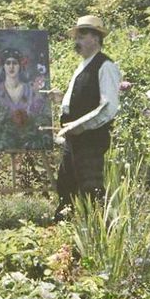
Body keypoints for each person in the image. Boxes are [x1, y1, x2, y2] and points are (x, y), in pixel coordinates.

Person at [50, 15, 121, 220]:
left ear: (96, 38)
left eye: (82, 36)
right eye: (76, 36)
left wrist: (80, 125)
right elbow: (81, 100)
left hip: (91, 141)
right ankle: (65, 238)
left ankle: (96, 239)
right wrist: (61, 98)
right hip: (73, 140)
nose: (77, 41)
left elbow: (108, 107)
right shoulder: (82, 65)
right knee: (66, 186)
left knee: (91, 193)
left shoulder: (105, 66)